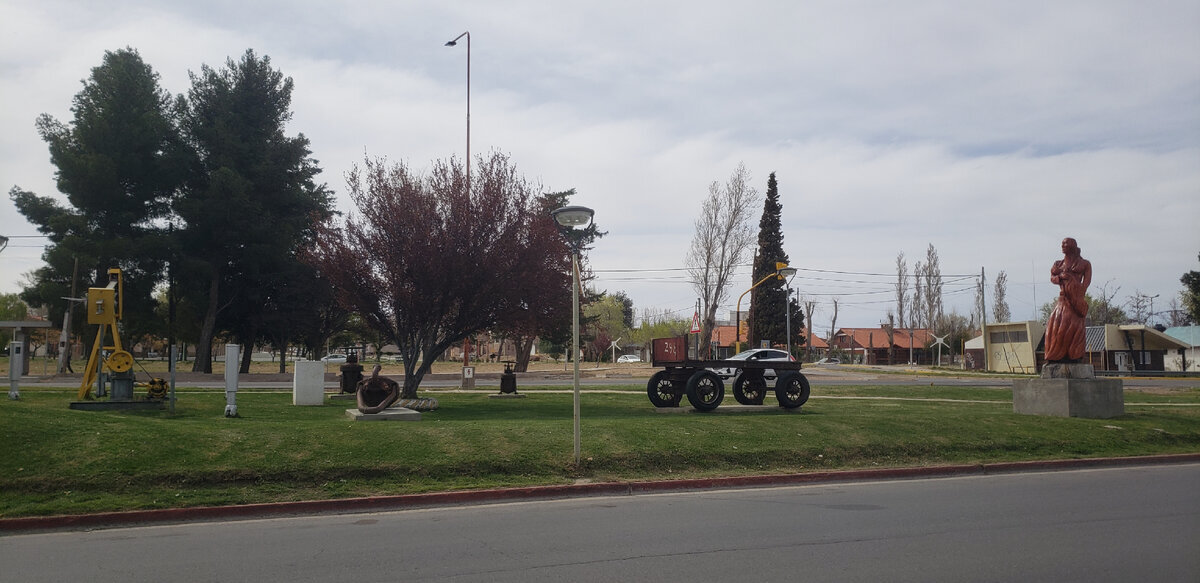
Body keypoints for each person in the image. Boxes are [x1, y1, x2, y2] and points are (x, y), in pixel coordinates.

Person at [1044, 237, 1092, 363]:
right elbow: (1052, 277)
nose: (1063, 246)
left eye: (1065, 243)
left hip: (1075, 301)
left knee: (1073, 326)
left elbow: (1086, 283)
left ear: (1072, 246)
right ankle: (1055, 355)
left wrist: (1077, 293)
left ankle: (1075, 355)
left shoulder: (1085, 264)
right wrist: (1061, 277)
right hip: (1062, 299)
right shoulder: (1058, 264)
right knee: (1054, 326)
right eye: (1062, 244)